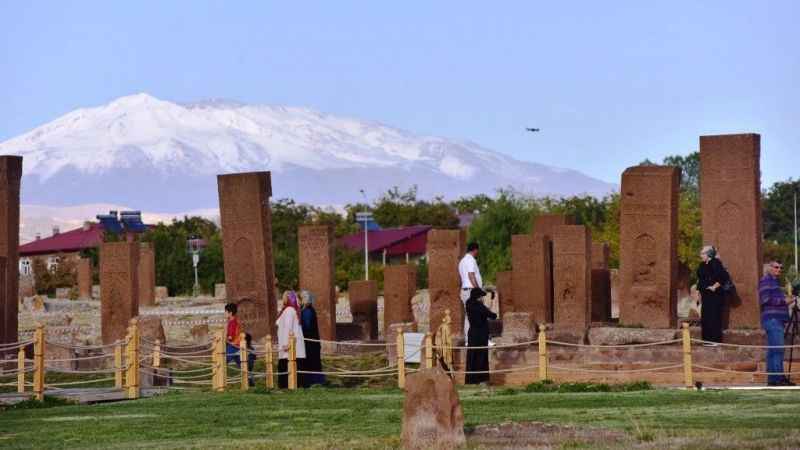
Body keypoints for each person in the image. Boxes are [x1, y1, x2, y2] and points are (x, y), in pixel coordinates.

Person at [759, 261, 794, 386]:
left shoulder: (774, 282)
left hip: (777, 320)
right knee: (777, 350)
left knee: (774, 350)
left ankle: (774, 379)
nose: (779, 269)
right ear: (769, 268)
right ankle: (778, 378)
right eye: (776, 267)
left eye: (781, 267)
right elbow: (765, 299)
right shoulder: (766, 281)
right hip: (773, 319)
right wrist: (784, 301)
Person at [465, 287, 497, 385]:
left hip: (472, 333)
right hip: (480, 334)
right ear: (478, 297)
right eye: (481, 297)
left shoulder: (468, 303)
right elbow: (492, 315)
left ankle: (471, 380)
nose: (482, 298)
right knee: (481, 356)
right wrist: (491, 300)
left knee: (472, 356)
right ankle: (481, 379)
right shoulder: (479, 306)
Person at [697, 245, 727, 345]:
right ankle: (706, 340)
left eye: (702, 253)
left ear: (709, 254)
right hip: (705, 295)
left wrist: (714, 286)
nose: (700, 255)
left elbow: (723, 277)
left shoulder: (716, 263)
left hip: (715, 296)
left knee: (714, 317)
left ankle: (715, 340)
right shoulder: (702, 265)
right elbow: (701, 279)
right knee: (705, 317)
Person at [276, 291, 306, 389]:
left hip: (289, 348)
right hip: (290, 347)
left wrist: (287, 344)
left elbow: (288, 328)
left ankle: (288, 387)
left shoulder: (289, 310)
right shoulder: (291, 310)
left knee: (288, 370)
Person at [299, 290, 325, 387]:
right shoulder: (308, 310)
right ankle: (313, 381)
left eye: (301, 298)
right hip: (310, 342)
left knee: (312, 363)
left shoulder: (308, 311)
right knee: (313, 363)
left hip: (310, 342)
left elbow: (307, 327)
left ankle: (313, 382)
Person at [458, 242, 483, 341]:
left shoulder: (462, 261)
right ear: (475, 250)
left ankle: (470, 340)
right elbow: (471, 275)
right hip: (471, 291)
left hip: (466, 291)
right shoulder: (470, 260)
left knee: (470, 316)